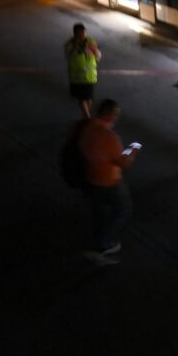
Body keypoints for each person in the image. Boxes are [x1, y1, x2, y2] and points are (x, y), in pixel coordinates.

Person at [79, 99, 139, 265]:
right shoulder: (109, 137)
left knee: (99, 213)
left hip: (90, 179)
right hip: (109, 181)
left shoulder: (87, 128)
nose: (116, 118)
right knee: (124, 209)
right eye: (115, 114)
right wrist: (133, 150)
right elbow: (123, 162)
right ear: (108, 114)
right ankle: (103, 246)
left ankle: (98, 239)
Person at [65, 22, 102, 118]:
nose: (81, 36)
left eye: (83, 33)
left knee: (89, 99)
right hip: (77, 77)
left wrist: (94, 52)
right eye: (78, 34)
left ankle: (85, 117)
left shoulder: (91, 41)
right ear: (74, 34)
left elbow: (98, 55)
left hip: (90, 75)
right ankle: (87, 118)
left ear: (85, 32)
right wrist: (75, 46)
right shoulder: (69, 44)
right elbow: (69, 57)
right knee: (82, 99)